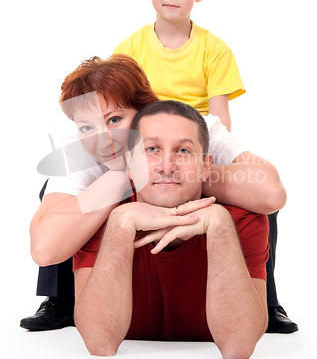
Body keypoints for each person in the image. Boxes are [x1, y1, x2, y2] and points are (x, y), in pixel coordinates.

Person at [21, 54, 287, 332]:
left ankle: (265, 300)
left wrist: (179, 174)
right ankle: (61, 300)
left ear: (146, 108)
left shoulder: (195, 127)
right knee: (59, 200)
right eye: (87, 127)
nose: (103, 141)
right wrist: (125, 176)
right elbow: (43, 248)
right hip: (118, 234)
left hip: (195, 214)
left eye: (114, 120)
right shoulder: (77, 148)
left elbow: (270, 193)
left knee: (251, 202)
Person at [113, 0, 297, 333]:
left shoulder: (215, 49)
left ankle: (268, 298)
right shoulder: (129, 48)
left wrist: (200, 161)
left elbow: (219, 116)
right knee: (59, 191)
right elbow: (122, 111)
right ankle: (58, 299)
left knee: (261, 200)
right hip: (146, 142)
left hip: (197, 140)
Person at [74, 100, 269, 359]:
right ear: (130, 165)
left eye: (183, 151)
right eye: (152, 149)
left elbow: (239, 347)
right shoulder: (99, 218)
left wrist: (220, 225)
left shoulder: (242, 219)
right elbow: (100, 343)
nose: (167, 166)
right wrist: (121, 221)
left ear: (205, 166)